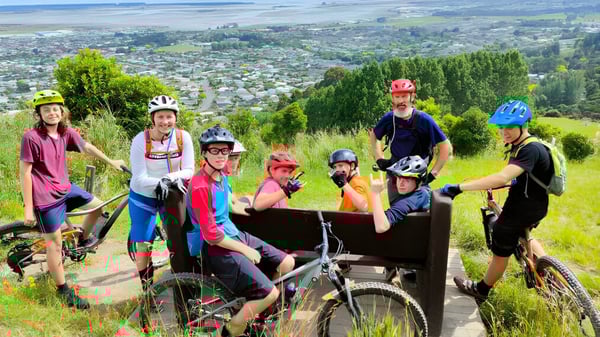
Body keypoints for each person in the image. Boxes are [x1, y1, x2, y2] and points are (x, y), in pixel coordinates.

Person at [20, 89, 125, 309]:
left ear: (62, 112)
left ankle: (82, 240)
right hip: (44, 197)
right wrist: (29, 208)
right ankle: (63, 292)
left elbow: (87, 147)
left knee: (98, 207)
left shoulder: (65, 133)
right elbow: (26, 172)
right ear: (39, 113)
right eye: (46, 110)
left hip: (65, 188)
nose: (52, 113)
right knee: (54, 244)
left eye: (55, 109)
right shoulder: (31, 137)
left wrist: (111, 161)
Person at [186, 125, 295, 337]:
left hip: (234, 235)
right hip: (217, 248)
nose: (220, 156)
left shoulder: (221, 177)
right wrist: (246, 250)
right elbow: (211, 235)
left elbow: (233, 207)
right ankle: (230, 330)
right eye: (214, 150)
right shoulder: (200, 186)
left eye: (225, 151)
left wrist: (258, 208)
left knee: (287, 263)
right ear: (205, 153)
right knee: (271, 294)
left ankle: (256, 308)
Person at [441, 100, 551, 302]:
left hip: (520, 209)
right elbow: (523, 177)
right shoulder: (529, 144)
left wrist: (459, 188)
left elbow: (503, 177)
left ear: (523, 125)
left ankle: (481, 289)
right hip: (537, 206)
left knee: (501, 252)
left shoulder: (528, 150)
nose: (504, 132)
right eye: (501, 128)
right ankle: (551, 274)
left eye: (509, 127)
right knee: (523, 234)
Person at [128, 95, 194, 301]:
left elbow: (189, 170)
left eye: (169, 116)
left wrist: (168, 178)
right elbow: (138, 178)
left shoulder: (183, 138)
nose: (165, 121)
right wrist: (158, 184)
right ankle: (147, 290)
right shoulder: (141, 140)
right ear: (152, 118)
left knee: (178, 241)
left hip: (171, 196)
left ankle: (181, 284)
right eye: (160, 117)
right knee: (143, 245)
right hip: (143, 196)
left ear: (175, 118)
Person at [369, 79, 451, 202]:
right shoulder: (389, 119)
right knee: (397, 210)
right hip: (395, 175)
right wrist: (379, 158)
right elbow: (374, 135)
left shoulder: (424, 120)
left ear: (412, 97)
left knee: (419, 212)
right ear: (392, 99)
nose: (401, 101)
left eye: (404, 96)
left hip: (417, 175)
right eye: (397, 97)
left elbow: (445, 146)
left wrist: (434, 173)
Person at [370, 156, 431, 283]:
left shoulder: (408, 202)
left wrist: (375, 194)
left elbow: (381, 227)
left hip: (406, 252)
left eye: (407, 178)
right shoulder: (424, 193)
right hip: (418, 246)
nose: (401, 183)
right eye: (399, 177)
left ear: (418, 180)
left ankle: (392, 271)